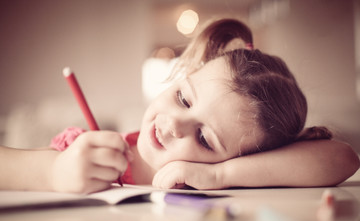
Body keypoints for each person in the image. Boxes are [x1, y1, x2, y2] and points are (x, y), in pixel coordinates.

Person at [0, 19, 358, 194]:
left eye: (204, 138)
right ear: (183, 75)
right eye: (184, 98)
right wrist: (55, 173)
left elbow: (343, 158)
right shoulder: (83, 151)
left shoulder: (223, 177)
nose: (175, 125)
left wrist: (217, 176)